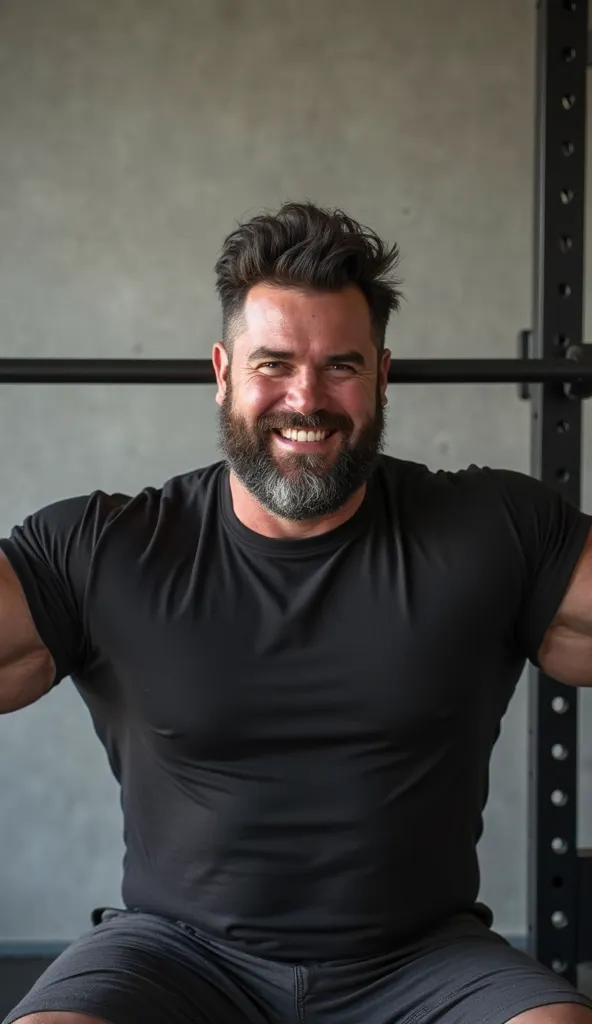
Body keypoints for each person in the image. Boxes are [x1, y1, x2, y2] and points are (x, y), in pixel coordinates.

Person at [1, 201, 592, 1024]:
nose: (305, 399)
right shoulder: (107, 547)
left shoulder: (489, 530)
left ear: (383, 374)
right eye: (273, 364)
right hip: (176, 953)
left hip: (425, 959)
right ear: (222, 371)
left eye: (340, 366)